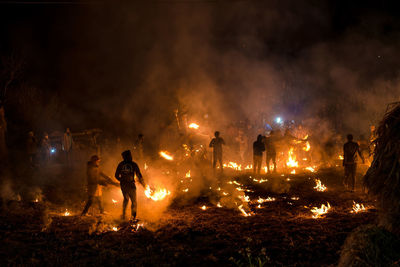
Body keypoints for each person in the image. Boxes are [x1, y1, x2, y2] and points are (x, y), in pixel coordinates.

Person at [115, 150, 146, 220]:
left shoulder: (121, 164)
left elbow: (116, 175)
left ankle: (125, 215)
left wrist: (122, 181)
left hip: (124, 185)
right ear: (127, 156)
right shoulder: (133, 164)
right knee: (133, 201)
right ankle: (132, 217)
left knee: (126, 199)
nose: (130, 157)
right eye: (129, 155)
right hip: (130, 185)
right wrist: (144, 185)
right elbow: (139, 176)